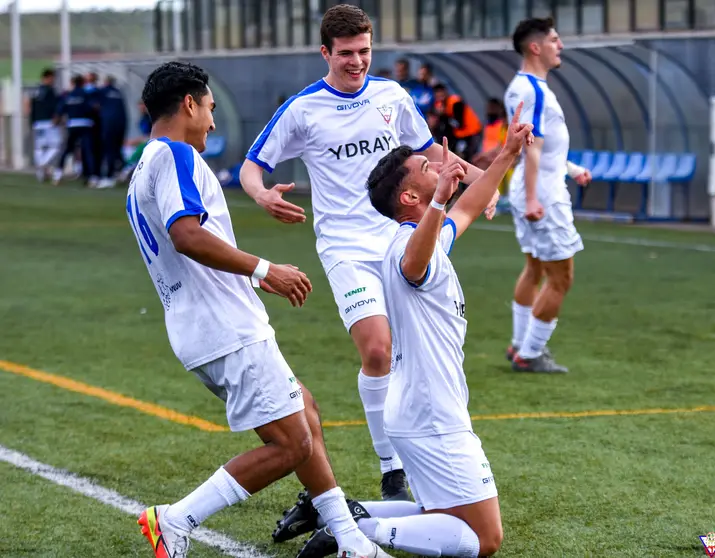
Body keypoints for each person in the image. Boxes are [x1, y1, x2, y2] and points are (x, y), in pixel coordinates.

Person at [127, 61, 391, 558]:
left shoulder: (146, 163)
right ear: (189, 104)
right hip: (225, 327)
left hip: (201, 326)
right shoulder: (176, 156)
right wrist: (264, 269)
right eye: (207, 108)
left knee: (305, 413)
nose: (211, 121)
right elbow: (186, 235)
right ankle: (176, 520)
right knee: (292, 445)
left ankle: (352, 541)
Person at [239, 4, 495, 506]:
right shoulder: (302, 108)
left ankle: (421, 457)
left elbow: (430, 152)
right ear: (325, 53)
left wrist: (481, 181)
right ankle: (390, 469)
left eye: (364, 51)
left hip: (402, 237)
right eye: (346, 54)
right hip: (345, 248)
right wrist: (262, 193)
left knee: (415, 354)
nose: (357, 62)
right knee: (378, 350)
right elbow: (253, 165)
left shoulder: (392, 95)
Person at [283, 106, 533, 558]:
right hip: (431, 413)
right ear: (410, 198)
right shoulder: (408, 245)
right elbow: (414, 265)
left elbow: (471, 205)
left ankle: (341, 515)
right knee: (483, 538)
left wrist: (508, 154)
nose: (436, 166)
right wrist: (440, 198)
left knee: (441, 512)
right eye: (424, 169)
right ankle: (355, 536)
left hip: (421, 409)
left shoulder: (427, 237)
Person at [503, 18, 593, 373]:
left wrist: (571, 169)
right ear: (536, 47)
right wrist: (532, 200)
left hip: (535, 184)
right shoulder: (534, 90)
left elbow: (543, 145)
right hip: (541, 192)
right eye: (555, 40)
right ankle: (531, 353)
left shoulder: (522, 86)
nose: (561, 46)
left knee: (535, 267)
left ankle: (519, 345)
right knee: (562, 276)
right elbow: (533, 149)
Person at [55, 74, 96, 186]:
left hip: (72, 125)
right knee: (87, 151)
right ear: (83, 83)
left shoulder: (68, 96)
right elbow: (92, 108)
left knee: (67, 149)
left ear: (73, 83)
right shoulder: (86, 95)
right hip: (86, 124)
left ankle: (57, 175)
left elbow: (60, 111)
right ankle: (92, 177)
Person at [432, 83, 483, 162]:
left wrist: (444, 115)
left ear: (445, 92)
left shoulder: (455, 102)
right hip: (461, 135)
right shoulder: (441, 105)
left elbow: (459, 123)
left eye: (441, 93)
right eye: (437, 94)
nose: (439, 97)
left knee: (469, 157)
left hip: (472, 132)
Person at [29, 68, 61, 183]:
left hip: (38, 123)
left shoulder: (36, 90)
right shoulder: (50, 90)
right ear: (48, 78)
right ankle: (43, 165)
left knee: (39, 148)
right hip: (49, 122)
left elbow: (32, 107)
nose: (53, 80)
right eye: (52, 78)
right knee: (55, 146)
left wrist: (32, 122)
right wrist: (56, 117)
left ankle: (40, 173)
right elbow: (54, 106)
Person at [97, 76, 128, 188]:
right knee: (116, 150)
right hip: (121, 124)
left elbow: (95, 104)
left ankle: (108, 177)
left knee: (109, 150)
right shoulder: (118, 93)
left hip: (109, 125)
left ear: (105, 82)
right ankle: (124, 169)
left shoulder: (103, 91)